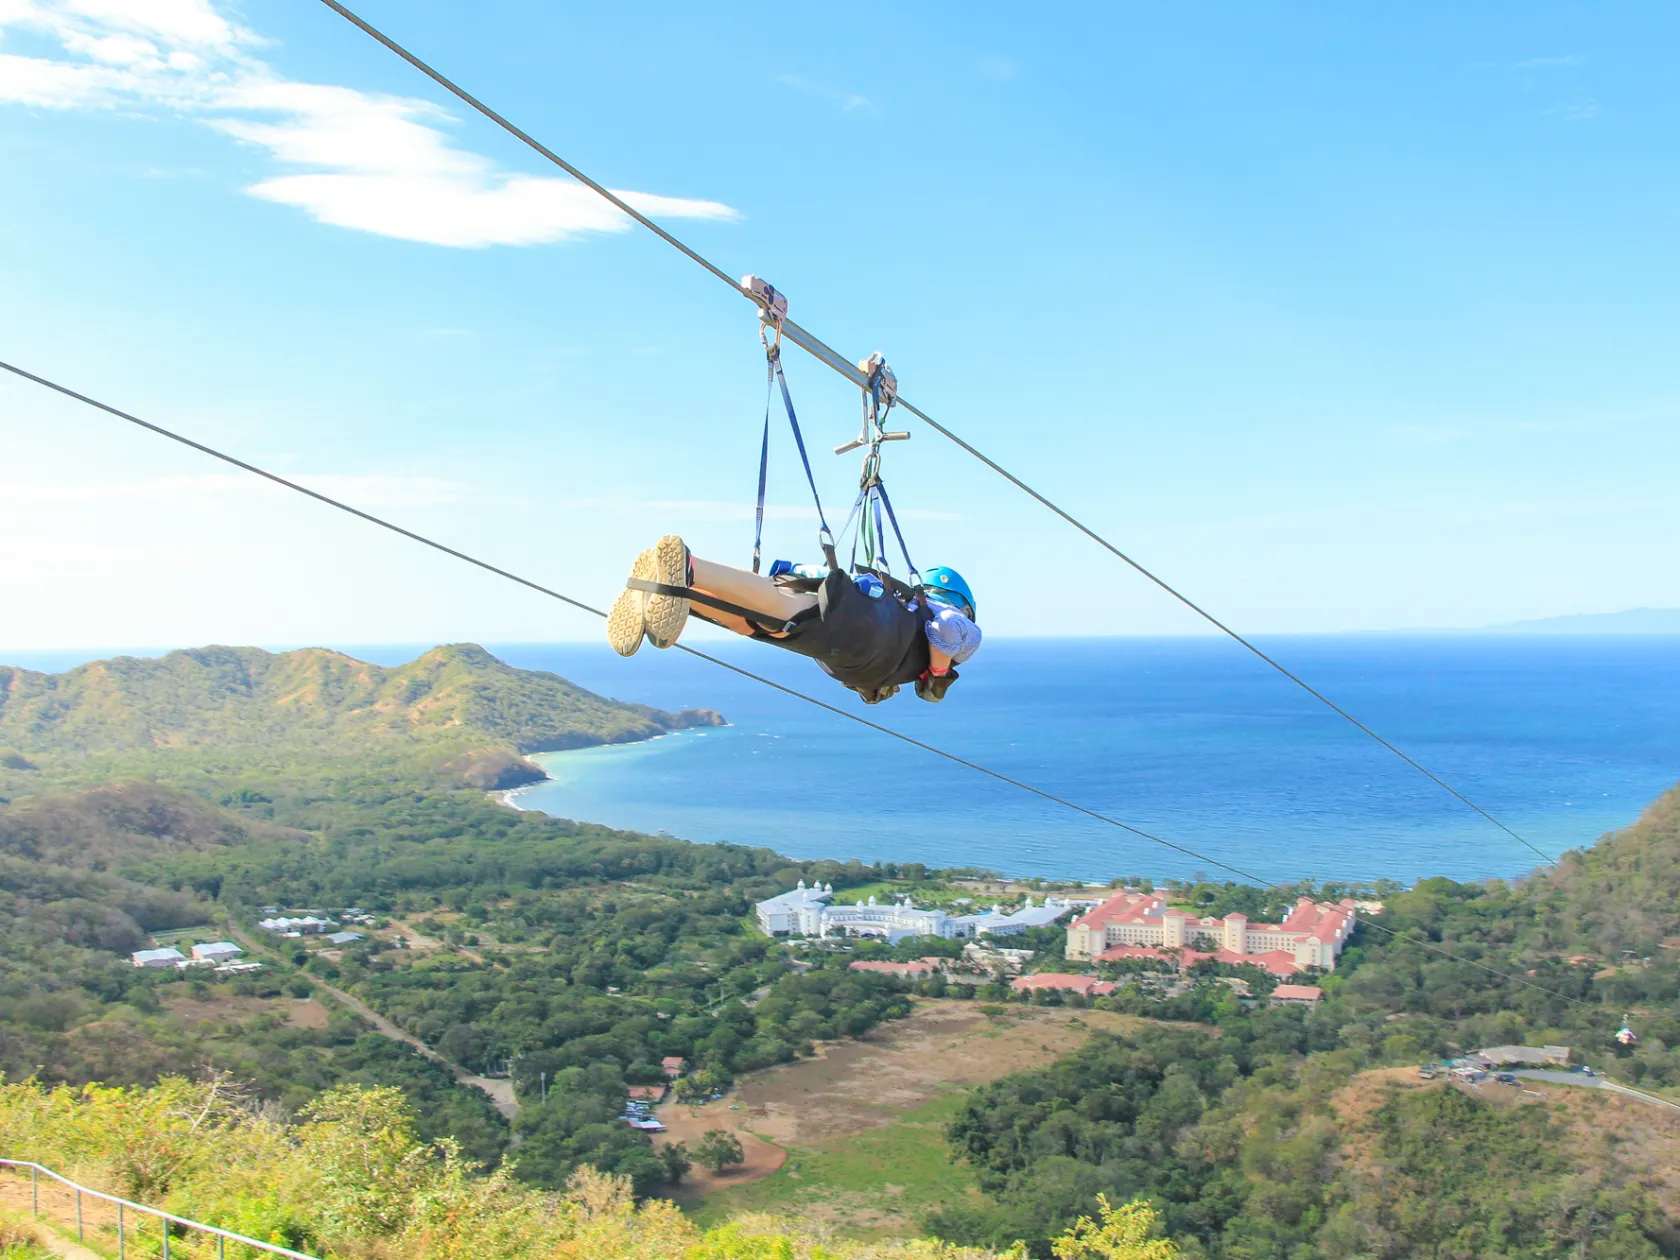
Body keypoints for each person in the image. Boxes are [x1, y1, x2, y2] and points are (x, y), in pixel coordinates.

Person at [607, 535, 981, 703]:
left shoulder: (910, 606)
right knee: (783, 612)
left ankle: (675, 591)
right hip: (864, 636)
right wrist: (936, 674)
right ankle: (689, 569)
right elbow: (946, 629)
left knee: (760, 621)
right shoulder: (958, 622)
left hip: (853, 642)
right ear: (963, 603)